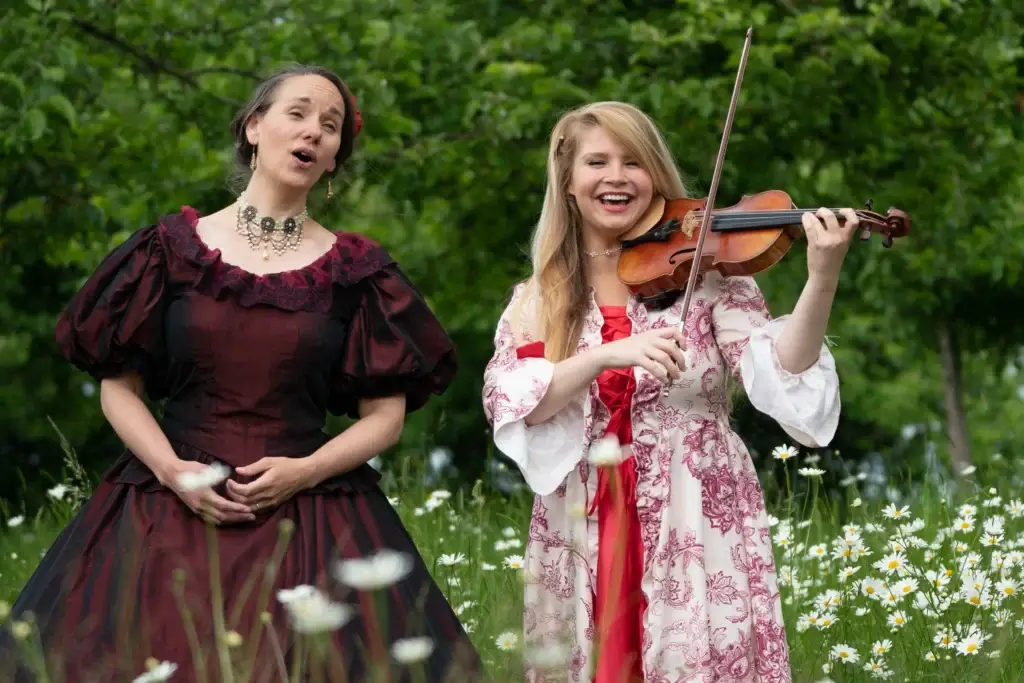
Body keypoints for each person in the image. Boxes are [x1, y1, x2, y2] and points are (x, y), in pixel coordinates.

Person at [1, 65, 481, 683]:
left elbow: (385, 418)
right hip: (166, 508)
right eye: (299, 113)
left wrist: (304, 471)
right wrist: (172, 471)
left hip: (310, 514)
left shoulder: (359, 273)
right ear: (254, 126)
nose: (314, 133)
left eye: (331, 127)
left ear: (334, 158)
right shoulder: (168, 251)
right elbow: (119, 390)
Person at [483, 101, 853, 682]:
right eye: (597, 162)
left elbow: (783, 372)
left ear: (654, 175)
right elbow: (518, 402)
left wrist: (822, 277)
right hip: (583, 512)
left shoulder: (706, 275)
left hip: (694, 504)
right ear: (569, 182)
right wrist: (606, 355)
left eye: (633, 162)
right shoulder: (541, 297)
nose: (615, 177)